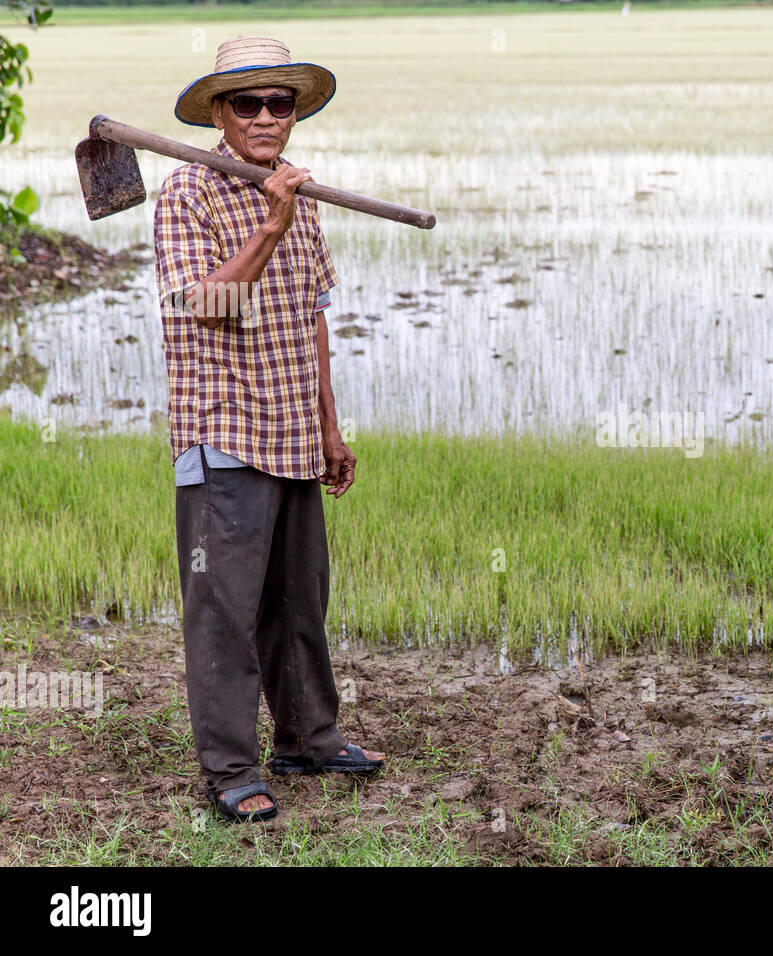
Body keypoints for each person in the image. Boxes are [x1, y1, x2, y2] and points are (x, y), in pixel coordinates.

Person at [153, 35, 383, 823]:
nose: (263, 115)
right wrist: (267, 228)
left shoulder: (299, 194)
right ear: (218, 113)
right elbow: (198, 306)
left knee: (298, 602)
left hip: (291, 431)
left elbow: (313, 318)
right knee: (225, 611)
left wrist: (330, 428)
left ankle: (308, 738)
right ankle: (230, 770)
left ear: (293, 114)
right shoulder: (188, 193)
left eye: (277, 102)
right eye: (245, 102)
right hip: (225, 435)